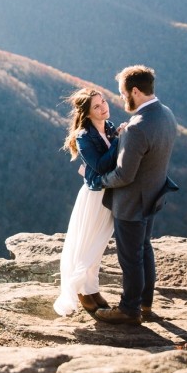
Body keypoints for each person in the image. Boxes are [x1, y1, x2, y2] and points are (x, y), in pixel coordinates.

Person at [91, 65, 178, 326]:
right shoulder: (165, 114)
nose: (121, 98)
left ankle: (129, 310)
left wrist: (98, 181)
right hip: (154, 195)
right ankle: (146, 304)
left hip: (132, 202)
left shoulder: (136, 128)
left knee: (130, 258)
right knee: (144, 249)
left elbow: (124, 175)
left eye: (122, 93)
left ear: (136, 91)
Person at [53, 87, 121, 318]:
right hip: (94, 195)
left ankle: (91, 288)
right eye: (97, 106)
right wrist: (120, 142)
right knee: (88, 244)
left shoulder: (110, 128)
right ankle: (80, 290)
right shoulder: (83, 136)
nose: (104, 108)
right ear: (87, 113)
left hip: (110, 191)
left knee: (99, 244)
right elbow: (100, 165)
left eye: (103, 102)